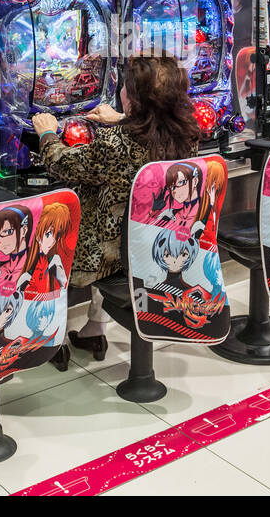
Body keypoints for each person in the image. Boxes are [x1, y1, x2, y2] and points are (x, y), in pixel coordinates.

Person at [30, 56, 201, 366]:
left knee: (56, 228)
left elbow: (62, 164)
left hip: (110, 258)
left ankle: (50, 338)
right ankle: (95, 326)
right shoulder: (188, 135)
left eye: (126, 88)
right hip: (161, 246)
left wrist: (47, 133)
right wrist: (123, 119)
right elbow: (147, 139)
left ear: (133, 99)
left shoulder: (115, 143)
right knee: (113, 215)